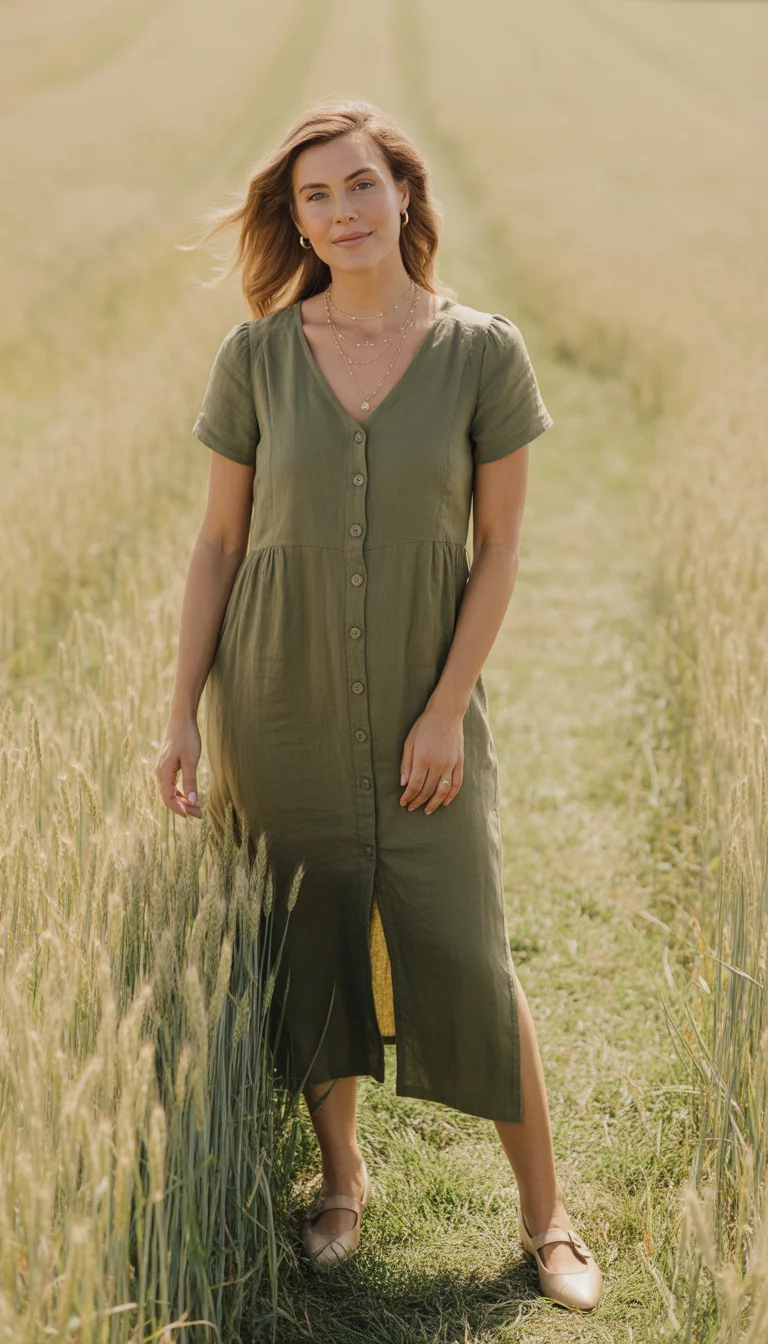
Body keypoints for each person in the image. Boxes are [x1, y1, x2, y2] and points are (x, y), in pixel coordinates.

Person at [154, 97, 603, 1313]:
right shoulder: (255, 357)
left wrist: (446, 707)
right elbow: (216, 546)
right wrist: (181, 712)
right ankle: (341, 1181)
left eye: (360, 185)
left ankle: (548, 1219)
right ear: (294, 220)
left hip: (424, 698)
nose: (342, 212)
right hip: (277, 700)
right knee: (311, 942)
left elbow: (500, 549)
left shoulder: (480, 352)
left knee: (465, 941)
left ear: (403, 193)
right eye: (316, 196)